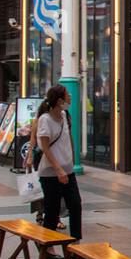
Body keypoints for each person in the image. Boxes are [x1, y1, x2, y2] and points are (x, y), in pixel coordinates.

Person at [32, 84, 82, 250]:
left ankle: (75, 243)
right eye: (67, 95)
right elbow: (45, 147)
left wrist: (72, 160)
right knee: (52, 211)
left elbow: (67, 140)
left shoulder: (64, 115)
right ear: (60, 100)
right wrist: (58, 168)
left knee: (75, 205)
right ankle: (47, 245)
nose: (70, 97)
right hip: (50, 173)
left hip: (67, 171)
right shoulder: (45, 119)